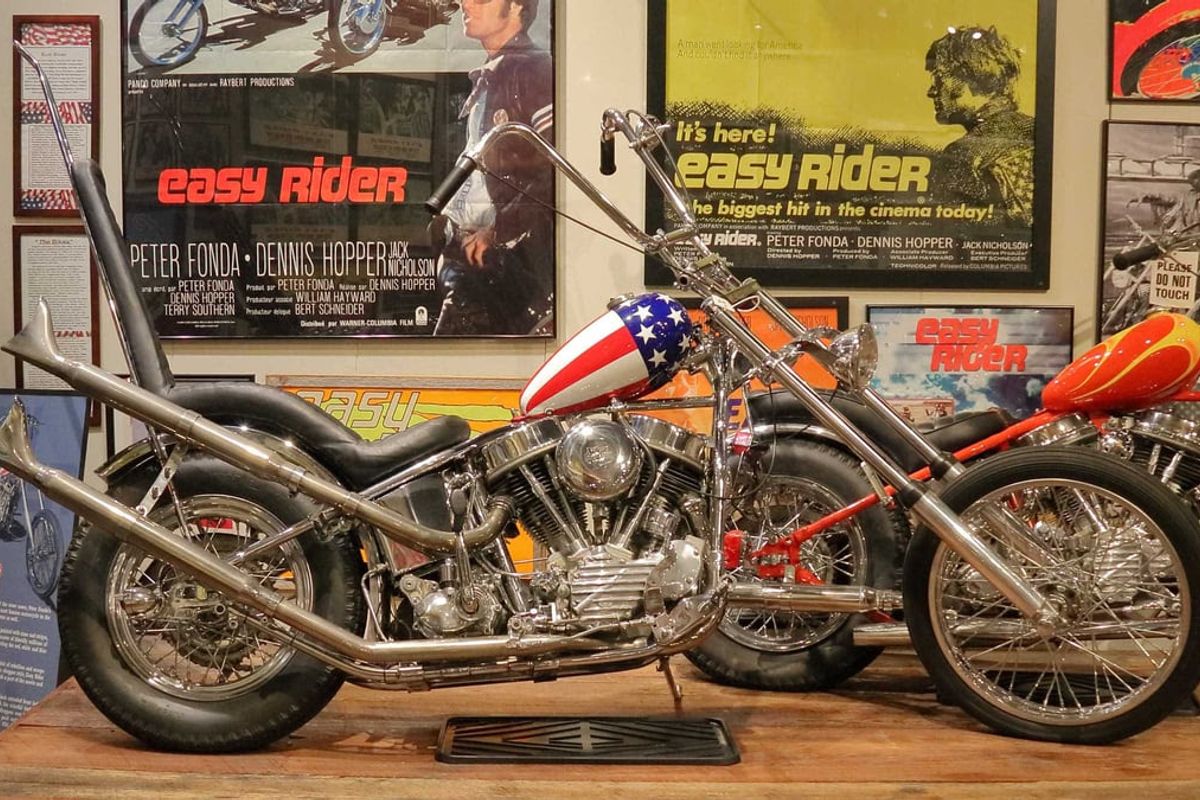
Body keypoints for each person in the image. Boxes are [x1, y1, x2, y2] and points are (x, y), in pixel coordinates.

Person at [432, 0, 554, 336]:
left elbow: (556, 171)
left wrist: (499, 230)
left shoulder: (534, 70)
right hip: (473, 263)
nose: (464, 3)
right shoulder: (496, 74)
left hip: (507, 269)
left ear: (516, 7)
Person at [925, 26, 1034, 226]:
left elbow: (952, 235)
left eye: (939, 77)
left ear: (974, 76)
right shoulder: (1036, 130)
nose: (931, 91)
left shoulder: (963, 154)